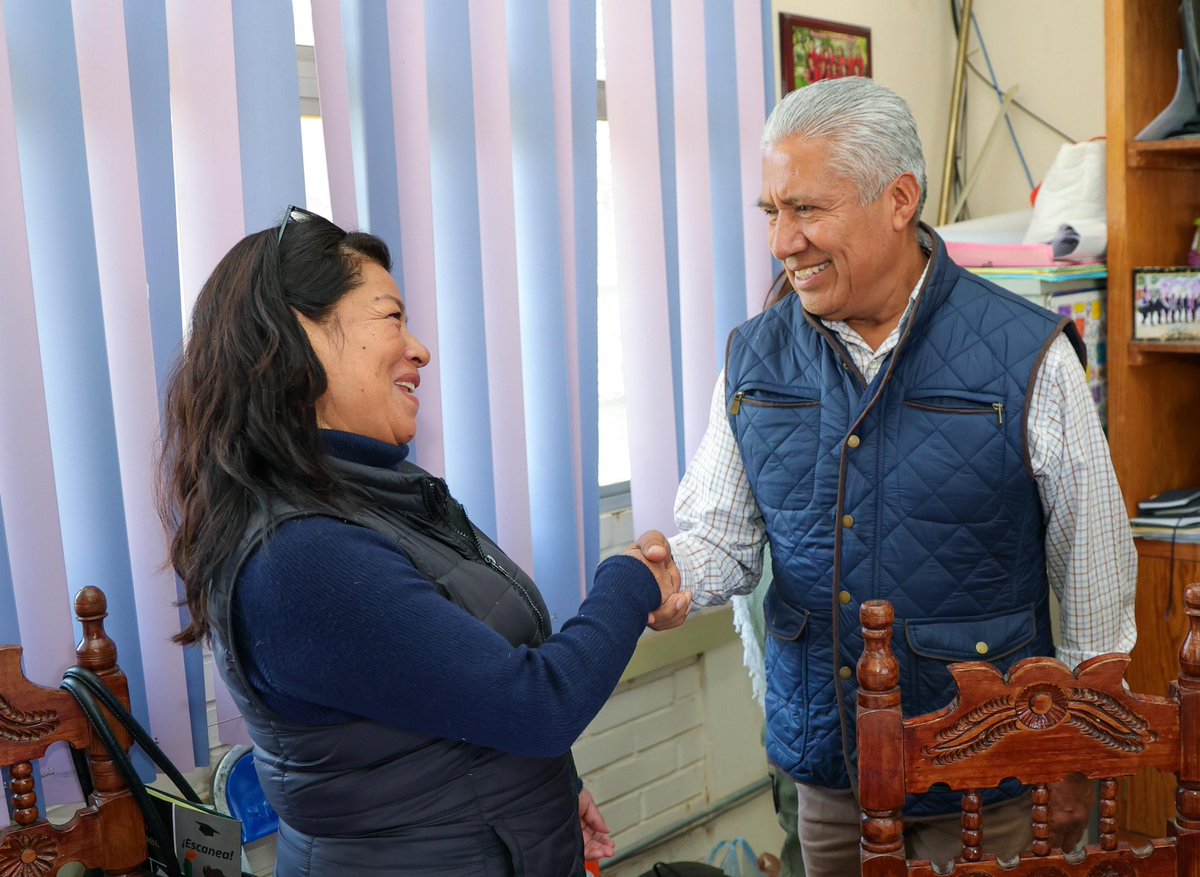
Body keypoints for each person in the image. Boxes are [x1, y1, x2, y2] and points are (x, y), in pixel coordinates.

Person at [638, 77, 1137, 877]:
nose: (782, 242)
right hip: (829, 775)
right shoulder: (752, 355)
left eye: (806, 209)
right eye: (771, 212)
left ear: (899, 198)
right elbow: (723, 542)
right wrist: (665, 578)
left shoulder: (1030, 354)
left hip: (989, 779)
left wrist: (1074, 753)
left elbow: (1095, 576)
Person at [158, 206, 691, 876]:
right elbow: (535, 702)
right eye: (391, 316)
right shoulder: (301, 556)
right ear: (300, 334)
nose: (419, 348)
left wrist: (553, 788)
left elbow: (464, 685)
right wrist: (629, 578)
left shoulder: (385, 494)